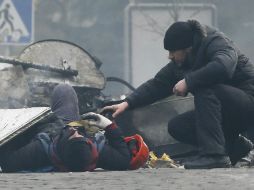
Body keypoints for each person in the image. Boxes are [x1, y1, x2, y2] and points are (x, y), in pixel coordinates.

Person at [102, 20, 254, 169]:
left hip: (247, 102)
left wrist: (189, 81)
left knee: (203, 86)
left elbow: (224, 66)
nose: (170, 56)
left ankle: (214, 156)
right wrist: (126, 103)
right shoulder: (183, 62)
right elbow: (157, 84)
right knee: (178, 126)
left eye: (173, 51)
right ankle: (237, 148)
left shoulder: (216, 42)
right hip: (225, 110)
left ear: (187, 48)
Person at [0, 84, 148, 172]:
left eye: (72, 135)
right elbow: (124, 159)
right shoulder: (99, 150)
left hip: (50, 130)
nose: (74, 130)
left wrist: (27, 125)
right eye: (79, 135)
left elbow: (6, 162)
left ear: (63, 144)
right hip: (73, 134)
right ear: (90, 146)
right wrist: (109, 126)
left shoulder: (41, 149)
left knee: (64, 90)